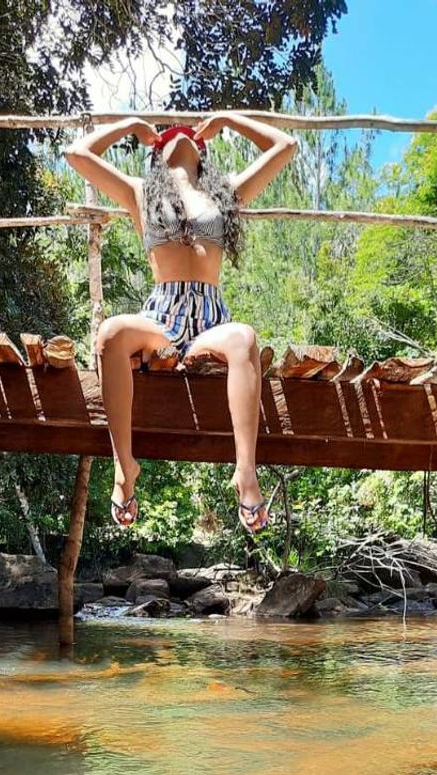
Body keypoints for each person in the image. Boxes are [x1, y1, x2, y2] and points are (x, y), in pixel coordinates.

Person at [64, 112, 299, 533]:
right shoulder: (140, 193)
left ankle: (246, 472)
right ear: (155, 155)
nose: (180, 134)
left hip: (211, 318)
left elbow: (286, 147)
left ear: (203, 154)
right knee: (110, 333)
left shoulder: (226, 194)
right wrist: (131, 126)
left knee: (244, 337)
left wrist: (229, 120)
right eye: (169, 135)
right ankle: (124, 467)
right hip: (161, 317)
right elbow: (76, 154)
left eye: (189, 134)